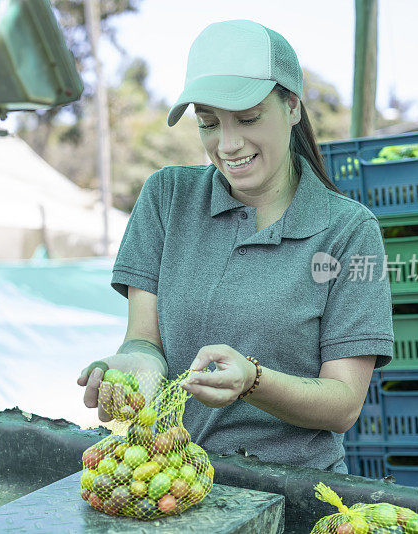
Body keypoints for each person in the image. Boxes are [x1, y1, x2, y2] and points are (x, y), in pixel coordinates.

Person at [77, 19, 393, 473]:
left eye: (248, 119)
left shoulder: (349, 230)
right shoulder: (167, 198)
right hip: (172, 478)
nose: (227, 144)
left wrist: (253, 380)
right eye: (208, 123)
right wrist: (129, 370)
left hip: (295, 492)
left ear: (293, 107)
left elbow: (343, 405)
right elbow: (144, 341)